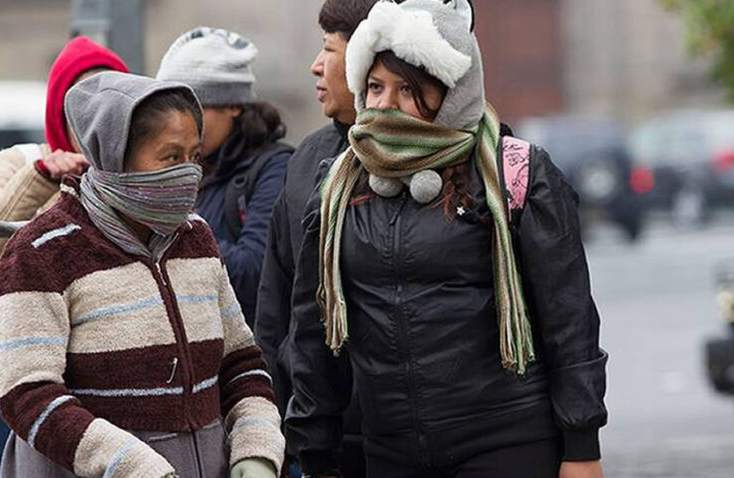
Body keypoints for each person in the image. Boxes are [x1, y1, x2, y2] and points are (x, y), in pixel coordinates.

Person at [286, 1, 608, 477]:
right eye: (375, 87)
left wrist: (581, 448)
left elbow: (570, 322)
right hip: (391, 453)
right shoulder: (337, 188)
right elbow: (313, 338)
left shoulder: (514, 174)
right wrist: (311, 455)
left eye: (408, 90)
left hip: (507, 442)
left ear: (451, 96)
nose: (384, 105)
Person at [0, 72, 284, 478]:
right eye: (170, 158)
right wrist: (133, 465)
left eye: (194, 157)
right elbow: (29, 395)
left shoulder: (196, 238)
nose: (188, 174)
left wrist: (257, 448)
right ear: (115, 158)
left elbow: (240, 364)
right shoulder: (42, 251)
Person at [0, 36, 128, 478]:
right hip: (3, 392)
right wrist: (41, 178)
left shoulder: (135, 179)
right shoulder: (21, 161)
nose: (95, 117)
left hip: (101, 394)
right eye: (80, 104)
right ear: (59, 111)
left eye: (108, 101)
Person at [254, 1, 377, 476]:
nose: (315, 65)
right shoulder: (308, 161)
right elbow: (276, 304)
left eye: (329, 49)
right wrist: (271, 423)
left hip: (399, 434)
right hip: (313, 432)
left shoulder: (421, 164)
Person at [156, 27, 292, 327]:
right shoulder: (175, 167)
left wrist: (176, 219)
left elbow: (254, 272)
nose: (180, 126)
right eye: (169, 113)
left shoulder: (275, 168)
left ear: (232, 105)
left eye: (194, 109)